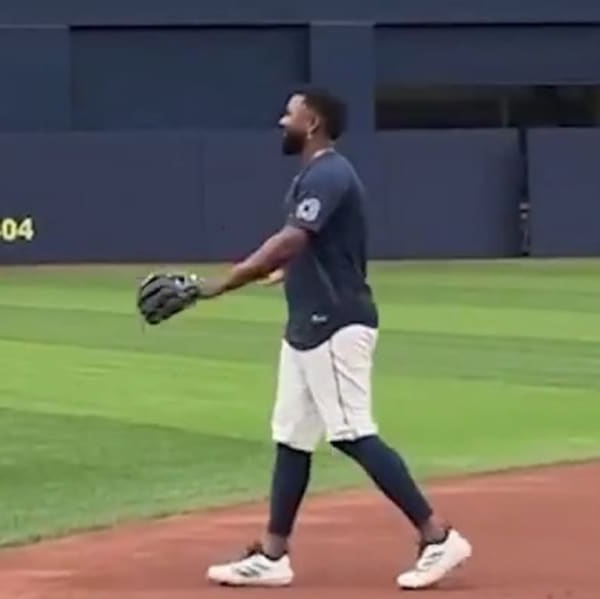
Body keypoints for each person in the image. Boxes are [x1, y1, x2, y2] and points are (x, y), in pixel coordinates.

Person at [191, 87, 472, 589]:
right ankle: (273, 555)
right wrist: (285, 273)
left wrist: (224, 283)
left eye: (291, 114)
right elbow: (309, 248)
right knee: (291, 438)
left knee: (351, 431)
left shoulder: (330, 173)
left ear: (313, 122)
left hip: (336, 322)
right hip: (306, 325)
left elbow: (294, 238)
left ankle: (438, 536)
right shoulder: (311, 175)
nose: (283, 121)